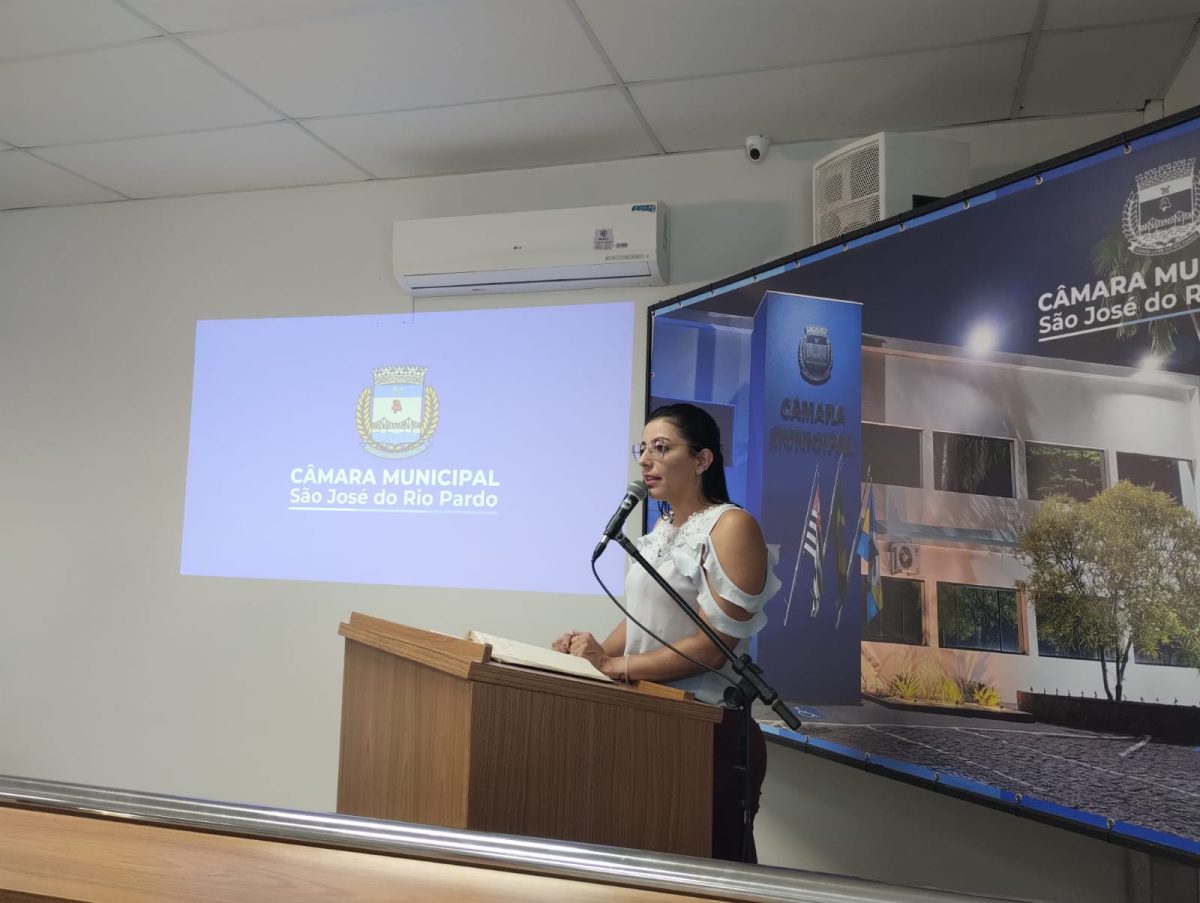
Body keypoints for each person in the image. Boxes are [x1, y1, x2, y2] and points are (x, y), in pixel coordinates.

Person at [554, 403, 780, 862]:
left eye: (661, 447)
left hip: (707, 731)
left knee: (710, 871)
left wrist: (614, 665)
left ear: (702, 459)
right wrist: (588, 656)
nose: (645, 460)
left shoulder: (732, 526)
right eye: (642, 449)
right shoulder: (661, 528)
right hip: (650, 721)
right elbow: (641, 618)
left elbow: (714, 646)